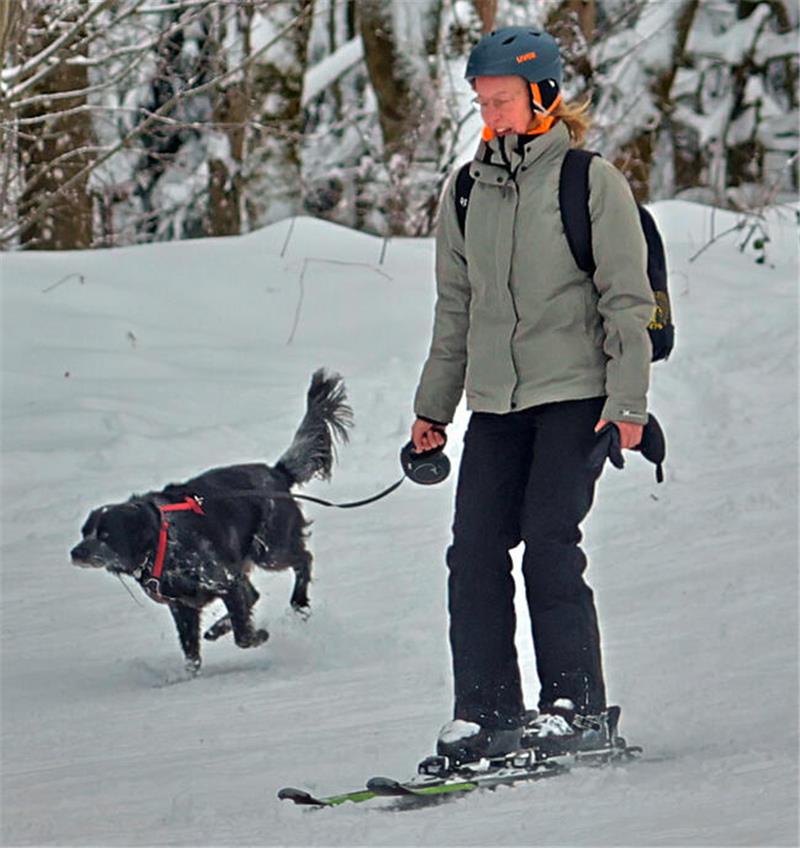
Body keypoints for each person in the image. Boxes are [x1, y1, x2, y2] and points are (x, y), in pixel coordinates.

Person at [410, 26, 655, 763]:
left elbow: (625, 300)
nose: (493, 117)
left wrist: (629, 405)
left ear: (544, 95)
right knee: (474, 553)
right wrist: (432, 408)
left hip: (578, 394)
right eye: (483, 103)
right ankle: (487, 714)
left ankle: (575, 709)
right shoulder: (463, 192)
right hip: (495, 405)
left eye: (506, 101)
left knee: (550, 544)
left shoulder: (588, 181)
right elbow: (456, 309)